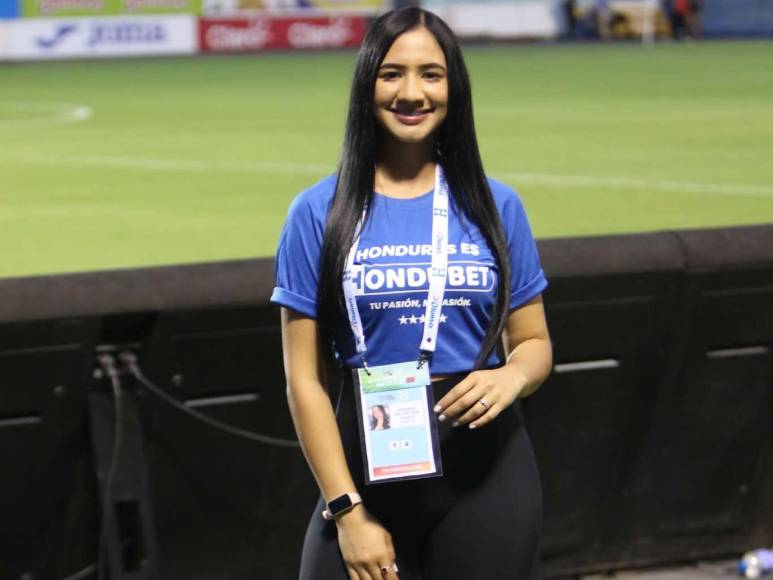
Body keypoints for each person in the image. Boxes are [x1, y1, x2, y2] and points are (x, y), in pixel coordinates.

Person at [271, 7, 552, 580]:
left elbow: (535, 342)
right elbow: (304, 379)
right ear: (366, 83)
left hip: (486, 470)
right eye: (392, 73)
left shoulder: (497, 206)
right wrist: (347, 512)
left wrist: (512, 377)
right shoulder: (316, 213)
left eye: (431, 74)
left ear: (453, 88)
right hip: (367, 465)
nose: (411, 93)